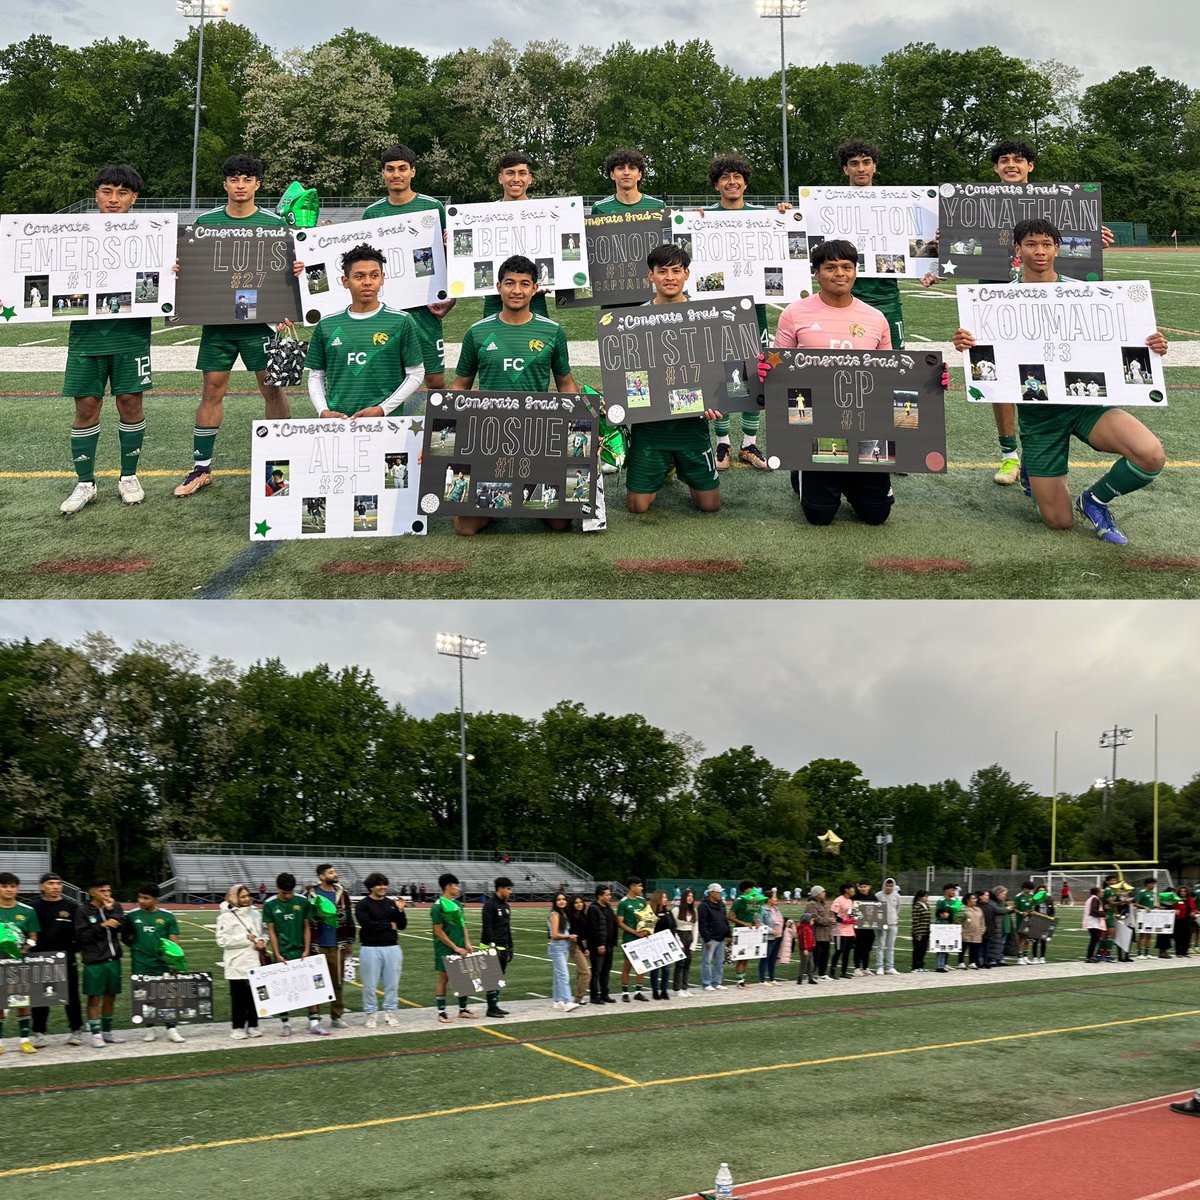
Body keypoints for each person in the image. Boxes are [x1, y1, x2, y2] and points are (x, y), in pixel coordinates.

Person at [953, 218, 1167, 545]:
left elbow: (1120, 338)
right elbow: (988, 361)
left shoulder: (1084, 293)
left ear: (1056, 249)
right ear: (1017, 249)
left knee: (1151, 455)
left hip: (1086, 404)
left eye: (1046, 244)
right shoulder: (995, 300)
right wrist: (967, 343)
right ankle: (1030, 466)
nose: (1039, 251)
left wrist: (1152, 345)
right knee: (1059, 522)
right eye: (1030, 244)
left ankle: (1094, 500)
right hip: (1039, 416)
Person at [173, 153, 303, 498]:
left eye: (247, 180)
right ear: (225, 184)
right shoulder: (206, 222)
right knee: (212, 390)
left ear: (257, 184)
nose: (240, 186)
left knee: (272, 389)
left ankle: (281, 463)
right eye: (234, 179)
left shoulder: (275, 224)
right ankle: (201, 468)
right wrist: (178, 268)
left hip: (262, 324)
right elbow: (194, 269)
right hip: (219, 323)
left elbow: (290, 272)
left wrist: (297, 278)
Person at [451, 253, 579, 535]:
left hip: (537, 433)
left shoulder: (552, 331)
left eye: (524, 284)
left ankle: (527, 495)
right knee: (466, 528)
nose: (516, 290)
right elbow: (460, 386)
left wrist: (582, 424)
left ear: (535, 289)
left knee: (561, 524)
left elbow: (566, 383)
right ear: (498, 287)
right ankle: (491, 501)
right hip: (490, 434)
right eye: (510, 283)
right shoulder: (477, 332)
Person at [774, 239, 896, 526]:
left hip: (865, 426)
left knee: (877, 515)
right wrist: (768, 371)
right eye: (830, 267)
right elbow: (780, 366)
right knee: (819, 516)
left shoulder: (875, 318)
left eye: (846, 267)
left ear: (855, 271)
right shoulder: (794, 313)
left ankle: (851, 478)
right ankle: (801, 467)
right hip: (816, 426)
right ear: (816, 272)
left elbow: (889, 374)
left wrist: (930, 381)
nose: (840, 273)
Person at [58, 166, 152, 515]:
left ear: (134, 198)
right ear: (96, 194)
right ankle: (85, 482)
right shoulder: (73, 234)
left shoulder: (150, 235)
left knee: (130, 403)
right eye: (107, 191)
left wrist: (172, 272)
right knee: (86, 406)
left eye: (122, 192)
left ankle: (129, 476)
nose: (114, 199)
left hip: (132, 334)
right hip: (86, 336)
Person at [624, 244, 723, 514]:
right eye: (662, 271)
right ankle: (662, 464)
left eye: (676, 271)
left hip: (692, 423)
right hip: (650, 425)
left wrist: (720, 401)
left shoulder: (704, 315)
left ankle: (675, 464)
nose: (669, 277)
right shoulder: (633, 320)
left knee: (710, 505)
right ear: (651, 275)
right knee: (637, 507)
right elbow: (626, 371)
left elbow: (719, 365)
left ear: (686, 274)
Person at [363, 144, 456, 391]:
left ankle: (439, 417)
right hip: (386, 307)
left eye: (402, 168)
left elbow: (449, 254)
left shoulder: (432, 207)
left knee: (435, 379)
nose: (396, 174)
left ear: (413, 171)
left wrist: (452, 295)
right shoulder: (372, 213)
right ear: (383, 173)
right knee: (389, 376)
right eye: (390, 169)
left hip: (424, 307)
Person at [704, 153, 772, 470]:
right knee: (724, 373)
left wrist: (786, 215)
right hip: (719, 307)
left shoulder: (763, 216)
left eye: (737, 177)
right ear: (716, 185)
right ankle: (723, 443)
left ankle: (749, 443)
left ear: (745, 183)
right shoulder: (705, 216)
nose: (732, 182)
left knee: (753, 372)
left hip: (754, 306)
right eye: (725, 177)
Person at [305, 244, 425, 419]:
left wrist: (382, 409)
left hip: (388, 423)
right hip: (338, 423)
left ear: (382, 278)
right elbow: (316, 375)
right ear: (345, 281)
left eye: (374, 275)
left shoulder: (401, 321)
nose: (367, 282)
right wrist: (323, 411)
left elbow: (416, 373)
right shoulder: (327, 325)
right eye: (359, 276)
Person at [481, 152, 550, 320]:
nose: (516, 179)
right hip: (494, 298)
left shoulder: (546, 213)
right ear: (500, 178)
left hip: (535, 297)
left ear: (530, 179)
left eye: (522, 173)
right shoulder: (482, 215)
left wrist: (555, 280)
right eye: (510, 173)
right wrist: (451, 241)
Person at [262, 872, 324, 1036]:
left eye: (290, 892)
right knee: (282, 989)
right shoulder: (269, 904)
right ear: (278, 888)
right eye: (284, 893)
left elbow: (306, 927)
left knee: (309, 986)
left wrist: (307, 949)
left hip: (301, 950)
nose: (288, 896)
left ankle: (314, 1022)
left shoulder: (302, 901)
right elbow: (271, 931)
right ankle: (286, 1024)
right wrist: (276, 953)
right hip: (282, 951)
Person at [123, 883, 185, 1043]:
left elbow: (174, 942)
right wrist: (137, 948)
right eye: (139, 897)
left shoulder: (167, 916)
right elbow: (125, 937)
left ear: (156, 899)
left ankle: (171, 1028)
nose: (141, 901)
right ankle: (150, 1028)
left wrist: (176, 963)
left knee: (167, 995)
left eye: (146, 898)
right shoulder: (131, 916)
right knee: (144, 996)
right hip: (140, 962)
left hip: (162, 963)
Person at [29, 872, 84, 1047]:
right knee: (40, 997)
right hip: (40, 958)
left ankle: (76, 1030)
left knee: (71, 995)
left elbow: (79, 932)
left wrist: (73, 950)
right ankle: (39, 1033)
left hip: (66, 958)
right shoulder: (33, 907)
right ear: (41, 887)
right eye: (51, 883)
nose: (55, 887)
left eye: (58, 884)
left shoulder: (72, 906)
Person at [74, 879, 126, 1047]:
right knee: (94, 998)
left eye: (108, 891)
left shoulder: (115, 906)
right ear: (92, 892)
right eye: (102, 891)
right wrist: (102, 925)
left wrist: (110, 911)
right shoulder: (83, 910)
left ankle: (107, 1032)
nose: (106, 894)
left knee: (110, 997)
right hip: (94, 961)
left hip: (113, 959)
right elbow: (82, 936)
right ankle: (96, 1034)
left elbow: (122, 927)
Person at [215, 884, 266, 1040]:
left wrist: (262, 941)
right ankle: (237, 1027)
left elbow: (262, 932)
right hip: (236, 963)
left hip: (254, 960)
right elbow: (222, 941)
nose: (246, 899)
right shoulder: (225, 917)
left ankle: (253, 1025)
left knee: (253, 996)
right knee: (238, 998)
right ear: (233, 897)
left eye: (247, 896)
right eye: (242, 896)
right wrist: (245, 938)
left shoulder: (255, 913)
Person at [355, 873, 406, 1028]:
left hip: (392, 947)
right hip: (370, 948)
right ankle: (371, 1014)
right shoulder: (363, 904)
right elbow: (367, 925)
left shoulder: (391, 903)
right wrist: (388, 925)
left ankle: (390, 1012)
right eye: (379, 884)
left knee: (392, 984)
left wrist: (400, 911)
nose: (383, 887)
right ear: (371, 887)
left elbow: (402, 925)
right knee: (370, 985)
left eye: (384, 884)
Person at [308, 864, 355, 1029]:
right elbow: (307, 919)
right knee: (317, 983)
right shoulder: (311, 894)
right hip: (317, 945)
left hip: (338, 944)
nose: (335, 874)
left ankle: (337, 1016)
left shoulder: (342, 894)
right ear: (321, 876)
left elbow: (349, 917)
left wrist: (349, 940)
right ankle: (314, 1017)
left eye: (334, 872)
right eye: (331, 872)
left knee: (337, 982)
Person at [0, 872, 40, 1053]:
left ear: (17, 888)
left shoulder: (27, 911)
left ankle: (24, 1040)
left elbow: (33, 937)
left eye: (12, 886)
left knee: (22, 1002)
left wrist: (25, 948)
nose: (9, 890)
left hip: (19, 963)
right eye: (4, 886)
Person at [432, 873, 476, 1023]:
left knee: (463, 977)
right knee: (443, 979)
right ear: (448, 886)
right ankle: (441, 1012)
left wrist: (467, 943)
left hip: (461, 946)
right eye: (456, 886)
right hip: (445, 948)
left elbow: (463, 925)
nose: (458, 888)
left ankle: (463, 1010)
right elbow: (438, 931)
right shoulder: (438, 906)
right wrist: (455, 947)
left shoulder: (457, 904)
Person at [592, 148, 665, 214]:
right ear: (612, 175)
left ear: (639, 175)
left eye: (632, 168)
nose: (626, 173)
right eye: (620, 168)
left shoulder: (658, 206)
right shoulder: (599, 208)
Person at [480, 877, 514, 1017]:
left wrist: (511, 946)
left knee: (499, 976)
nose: (510, 892)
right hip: (491, 946)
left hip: (503, 946)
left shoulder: (506, 906)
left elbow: (507, 927)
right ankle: (490, 1008)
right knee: (491, 977)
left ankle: (495, 1005)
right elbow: (487, 927)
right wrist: (492, 945)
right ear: (500, 888)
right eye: (508, 889)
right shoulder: (489, 905)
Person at [616, 876, 652, 1001]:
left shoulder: (642, 901)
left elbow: (648, 918)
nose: (642, 888)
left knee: (642, 965)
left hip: (642, 938)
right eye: (639, 886)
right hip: (629, 938)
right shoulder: (623, 903)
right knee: (628, 965)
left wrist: (647, 930)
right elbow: (620, 923)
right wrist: (634, 932)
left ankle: (638, 991)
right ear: (632, 887)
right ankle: (625, 993)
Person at [546, 891, 579, 1011]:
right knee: (563, 975)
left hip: (563, 947)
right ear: (555, 902)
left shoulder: (562, 913)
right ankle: (567, 1001)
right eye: (559, 899)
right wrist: (569, 936)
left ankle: (557, 1000)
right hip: (557, 948)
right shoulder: (555, 914)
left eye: (563, 899)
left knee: (558, 975)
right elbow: (554, 935)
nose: (561, 901)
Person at [585, 884, 617, 1004]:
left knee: (606, 971)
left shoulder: (608, 907)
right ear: (600, 896)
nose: (610, 897)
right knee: (597, 971)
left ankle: (604, 994)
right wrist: (600, 944)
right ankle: (594, 996)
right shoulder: (593, 909)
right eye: (607, 895)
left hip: (609, 944)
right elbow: (593, 929)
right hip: (598, 945)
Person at [729, 879, 761, 988]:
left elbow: (752, 914)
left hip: (749, 932)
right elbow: (730, 916)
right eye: (751, 888)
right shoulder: (739, 901)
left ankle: (742, 980)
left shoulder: (751, 900)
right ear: (746, 889)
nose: (753, 890)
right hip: (741, 931)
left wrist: (756, 922)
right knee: (741, 957)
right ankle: (739, 981)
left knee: (747, 957)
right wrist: (744, 923)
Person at [698, 883, 731, 992]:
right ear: (712, 893)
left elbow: (724, 920)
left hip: (721, 937)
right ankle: (706, 983)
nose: (721, 894)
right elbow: (702, 923)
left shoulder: (721, 904)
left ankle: (717, 982)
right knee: (707, 962)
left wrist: (728, 934)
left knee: (719, 961)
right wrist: (706, 939)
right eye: (719, 892)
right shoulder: (703, 906)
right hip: (711, 937)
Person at [648, 891, 676, 1000]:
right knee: (655, 968)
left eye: (666, 897)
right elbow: (648, 928)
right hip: (654, 944)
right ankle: (655, 991)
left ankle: (664, 990)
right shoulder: (651, 913)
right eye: (663, 897)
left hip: (666, 944)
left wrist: (671, 939)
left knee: (666, 969)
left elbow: (673, 926)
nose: (666, 899)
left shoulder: (668, 912)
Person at [804, 886, 836, 978]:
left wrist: (833, 919)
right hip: (816, 934)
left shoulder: (824, 904)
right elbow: (816, 919)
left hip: (826, 934)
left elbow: (831, 914)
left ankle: (822, 973)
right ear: (817, 894)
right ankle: (810, 973)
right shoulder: (811, 905)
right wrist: (829, 921)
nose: (824, 893)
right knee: (815, 955)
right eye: (822, 892)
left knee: (825, 955)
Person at [566, 894, 592, 1005]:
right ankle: (579, 997)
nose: (579, 904)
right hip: (576, 945)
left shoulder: (583, 915)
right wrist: (584, 948)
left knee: (580, 972)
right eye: (576, 903)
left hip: (585, 944)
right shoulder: (571, 917)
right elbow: (576, 935)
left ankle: (578, 996)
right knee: (586, 972)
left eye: (580, 902)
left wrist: (587, 947)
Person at [671, 888, 697, 996]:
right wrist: (679, 943)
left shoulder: (694, 911)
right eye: (688, 896)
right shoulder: (676, 910)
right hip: (679, 936)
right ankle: (677, 989)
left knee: (687, 964)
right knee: (680, 964)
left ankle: (685, 987)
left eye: (692, 896)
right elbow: (673, 928)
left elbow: (695, 928)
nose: (690, 898)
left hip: (689, 937)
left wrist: (693, 945)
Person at [874, 877, 902, 976]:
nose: (888, 887)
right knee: (880, 946)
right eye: (887, 885)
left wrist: (894, 918)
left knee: (891, 946)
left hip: (893, 924)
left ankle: (890, 966)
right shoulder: (878, 895)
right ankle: (880, 966)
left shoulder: (897, 896)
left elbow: (898, 908)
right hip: (881, 924)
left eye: (890, 886)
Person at [829, 882, 857, 979]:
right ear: (846, 890)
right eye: (851, 889)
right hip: (840, 930)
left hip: (850, 930)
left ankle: (843, 972)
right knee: (839, 950)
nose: (853, 890)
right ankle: (832, 971)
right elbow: (833, 914)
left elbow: (852, 913)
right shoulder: (839, 900)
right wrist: (843, 921)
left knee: (847, 951)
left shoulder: (850, 901)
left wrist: (853, 919)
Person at [757, 890, 783, 984]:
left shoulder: (776, 908)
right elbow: (759, 922)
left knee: (773, 959)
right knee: (765, 958)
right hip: (768, 937)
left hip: (777, 937)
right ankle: (762, 979)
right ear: (769, 899)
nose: (776, 899)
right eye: (774, 897)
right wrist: (770, 930)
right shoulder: (762, 909)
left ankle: (772, 978)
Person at [852, 880, 877, 977]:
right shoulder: (855, 897)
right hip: (858, 927)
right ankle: (857, 967)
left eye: (865, 886)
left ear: (869, 887)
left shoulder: (873, 897)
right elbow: (853, 911)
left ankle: (865, 967)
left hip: (869, 926)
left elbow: (878, 910)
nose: (863, 889)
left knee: (868, 947)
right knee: (858, 946)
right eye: (861, 887)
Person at [1134, 877, 1159, 960]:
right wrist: (1144, 907)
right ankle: (1139, 953)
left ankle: (1147, 953)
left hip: (1150, 916)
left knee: (1149, 934)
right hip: (1142, 916)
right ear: (1147, 884)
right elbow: (1135, 904)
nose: (1154, 886)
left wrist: (1157, 907)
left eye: (1154, 884)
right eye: (1152, 884)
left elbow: (1150, 905)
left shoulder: (1152, 893)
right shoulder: (1142, 892)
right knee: (1142, 934)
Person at [961, 892, 985, 969]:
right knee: (963, 948)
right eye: (973, 898)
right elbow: (959, 921)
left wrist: (982, 930)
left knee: (974, 949)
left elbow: (982, 921)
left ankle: (972, 962)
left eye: (975, 898)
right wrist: (962, 931)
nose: (975, 900)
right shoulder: (963, 909)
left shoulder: (978, 909)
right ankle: (960, 962)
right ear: (968, 900)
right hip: (966, 933)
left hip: (977, 933)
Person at [1083, 887, 1108, 962]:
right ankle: (1089, 957)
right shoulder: (1095, 899)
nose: (1102, 893)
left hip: (1091, 921)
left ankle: (1090, 956)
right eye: (1101, 892)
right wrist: (1103, 914)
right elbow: (1093, 910)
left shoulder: (1091, 899)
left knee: (1094, 939)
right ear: (1097, 893)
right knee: (1094, 940)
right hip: (1093, 922)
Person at [910, 891, 930, 973]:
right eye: (925, 896)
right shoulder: (917, 906)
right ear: (920, 897)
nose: (927, 898)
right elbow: (916, 921)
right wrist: (917, 933)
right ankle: (915, 966)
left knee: (923, 950)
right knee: (917, 950)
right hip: (919, 932)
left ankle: (921, 965)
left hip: (926, 931)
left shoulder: (926, 905)